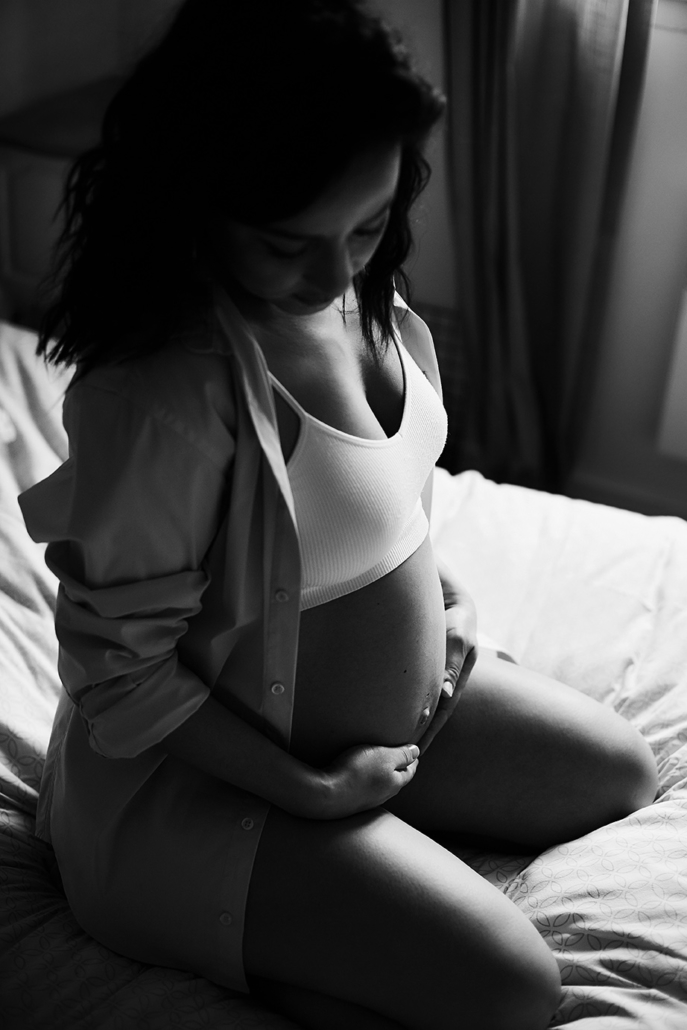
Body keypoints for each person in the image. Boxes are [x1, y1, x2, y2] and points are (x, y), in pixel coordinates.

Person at [20, 2, 658, 1028]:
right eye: (289, 243)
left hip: (369, 727)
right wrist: (312, 793)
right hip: (214, 783)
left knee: (618, 774)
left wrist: (441, 601)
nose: (335, 274)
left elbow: (368, 509)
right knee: (513, 990)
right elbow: (119, 676)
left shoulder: (357, 292)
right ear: (197, 205)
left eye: (366, 224)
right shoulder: (162, 396)